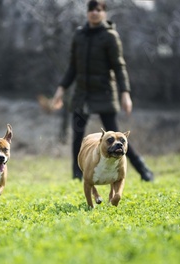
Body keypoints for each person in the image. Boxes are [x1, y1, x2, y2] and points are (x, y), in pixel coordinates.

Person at [50, 0, 154, 182]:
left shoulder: (110, 36)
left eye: (98, 10)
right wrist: (61, 89)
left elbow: (119, 66)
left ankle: (144, 170)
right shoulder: (79, 35)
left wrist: (125, 93)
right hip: (82, 94)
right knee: (77, 137)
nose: (94, 13)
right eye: (91, 10)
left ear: (104, 13)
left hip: (104, 93)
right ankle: (78, 175)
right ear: (87, 13)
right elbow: (72, 67)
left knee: (117, 137)